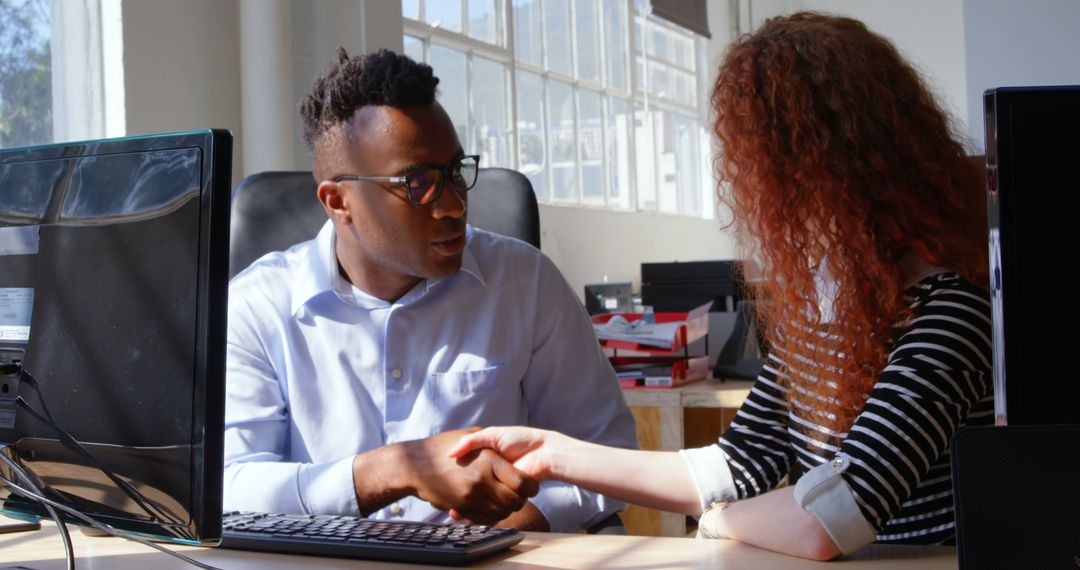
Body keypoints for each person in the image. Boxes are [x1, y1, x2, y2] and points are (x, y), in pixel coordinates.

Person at [450, 12, 991, 558]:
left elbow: (828, 520)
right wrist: (553, 452)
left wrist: (717, 522)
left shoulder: (952, 310)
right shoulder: (821, 305)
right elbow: (739, 462)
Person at [223, 49, 637, 532]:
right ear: (339, 202)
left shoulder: (525, 283)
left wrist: (524, 522)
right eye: (418, 182)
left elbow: (607, 454)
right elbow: (229, 489)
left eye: (455, 172)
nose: (455, 205)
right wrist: (393, 469)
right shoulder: (257, 306)